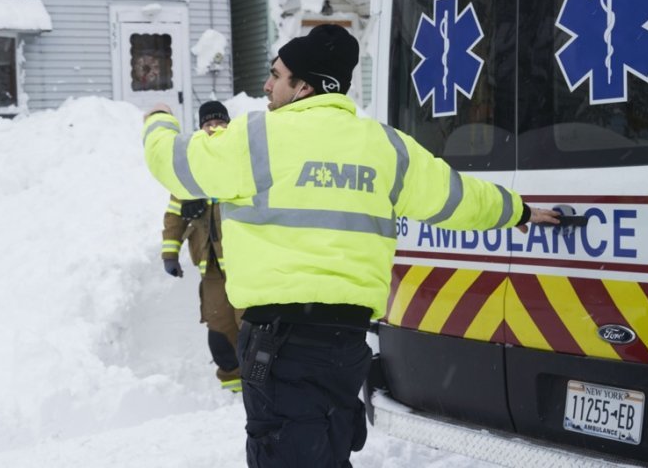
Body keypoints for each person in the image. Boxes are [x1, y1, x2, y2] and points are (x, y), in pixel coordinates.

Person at [142, 25, 559, 467]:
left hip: (280, 343)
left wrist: (160, 118)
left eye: (276, 75)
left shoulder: (255, 138)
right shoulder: (385, 146)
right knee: (327, 451)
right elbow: (455, 198)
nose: (266, 85)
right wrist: (517, 211)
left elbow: (172, 163)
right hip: (345, 346)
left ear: (304, 86)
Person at [161, 101, 243, 392]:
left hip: (245, 263)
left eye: (220, 122)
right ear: (201, 127)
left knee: (251, 325)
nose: (214, 127)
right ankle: (233, 384)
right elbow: (174, 213)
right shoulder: (190, 166)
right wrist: (169, 252)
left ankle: (262, 383)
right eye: (208, 123)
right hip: (211, 266)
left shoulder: (241, 158)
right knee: (219, 325)